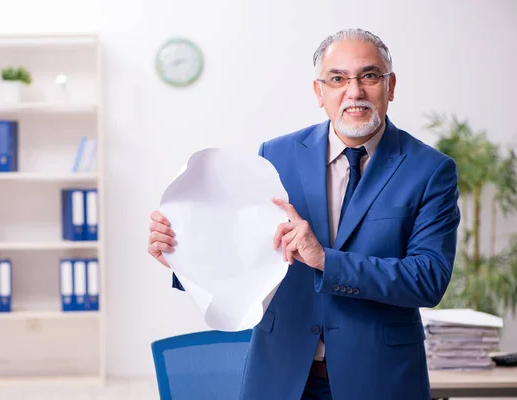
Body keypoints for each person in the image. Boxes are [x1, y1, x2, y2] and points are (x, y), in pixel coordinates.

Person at [148, 28, 460, 400]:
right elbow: (246, 256)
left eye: (369, 76)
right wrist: (182, 257)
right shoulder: (275, 156)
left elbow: (427, 279)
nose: (354, 91)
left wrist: (326, 261)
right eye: (337, 78)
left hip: (380, 378)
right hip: (280, 375)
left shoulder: (429, 170)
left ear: (390, 87)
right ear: (319, 92)